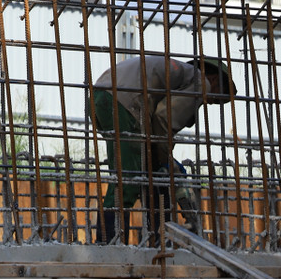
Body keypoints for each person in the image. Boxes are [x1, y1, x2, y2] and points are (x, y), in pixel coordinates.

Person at [92, 55, 235, 244]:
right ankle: (110, 243)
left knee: (141, 171)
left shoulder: (181, 75)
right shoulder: (201, 82)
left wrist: (162, 159)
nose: (209, 102)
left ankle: (151, 238)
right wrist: (164, 157)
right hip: (124, 102)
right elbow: (163, 118)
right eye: (215, 97)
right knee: (127, 180)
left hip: (101, 96)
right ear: (215, 80)